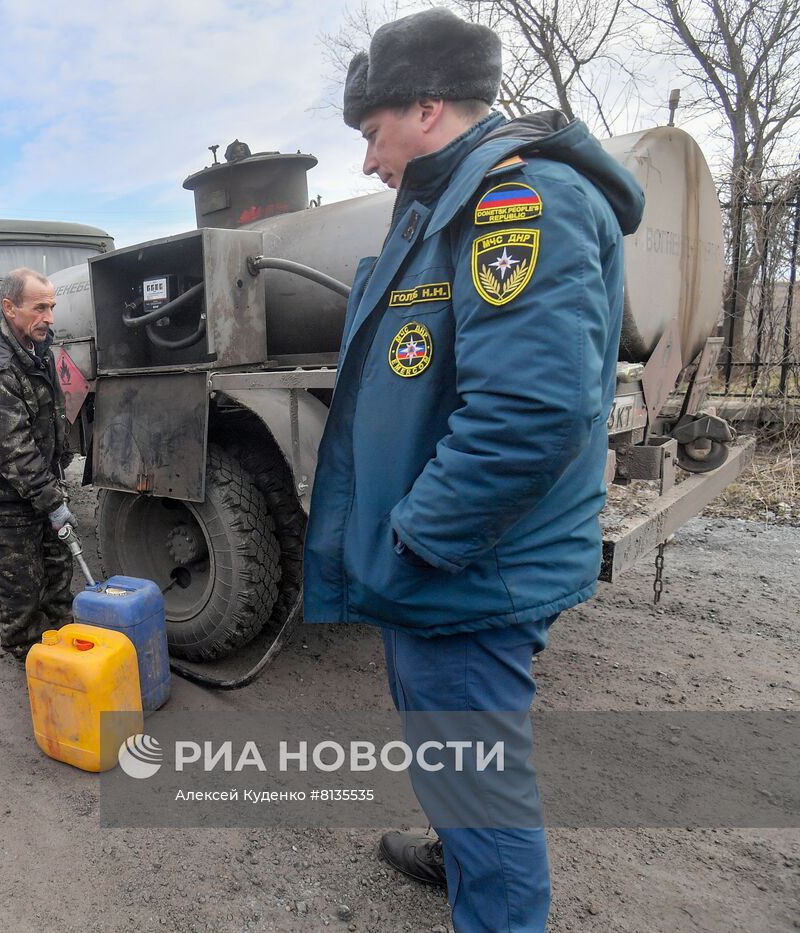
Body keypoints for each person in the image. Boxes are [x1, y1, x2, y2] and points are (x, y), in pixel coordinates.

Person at [302, 8, 644, 932]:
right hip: (451, 571)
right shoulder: (447, 207)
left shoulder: (517, 202)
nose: (367, 160)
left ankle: (489, 895)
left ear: (425, 107)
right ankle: (458, 849)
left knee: (481, 780)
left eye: (372, 136)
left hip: (464, 572)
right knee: (457, 755)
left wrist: (417, 538)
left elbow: (530, 411)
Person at [0, 268, 75, 659]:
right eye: (40, 307)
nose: (50, 317)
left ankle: (64, 645)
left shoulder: (37, 346)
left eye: (52, 307)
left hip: (34, 485)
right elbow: (16, 452)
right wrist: (53, 502)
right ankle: (32, 658)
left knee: (57, 570)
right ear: (9, 308)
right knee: (20, 586)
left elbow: (51, 415)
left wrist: (58, 472)